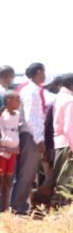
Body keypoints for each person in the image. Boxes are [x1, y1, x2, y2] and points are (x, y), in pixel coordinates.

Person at [10, 62, 47, 215]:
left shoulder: (31, 90)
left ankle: (20, 204)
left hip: (31, 135)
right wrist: (39, 139)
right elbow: (31, 118)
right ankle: (18, 206)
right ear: (39, 72)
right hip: (31, 136)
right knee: (27, 173)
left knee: (29, 174)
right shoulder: (31, 91)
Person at [0, 90, 21, 212]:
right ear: (9, 101)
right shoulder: (1, 116)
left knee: (9, 179)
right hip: (2, 152)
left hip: (13, 152)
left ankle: (6, 206)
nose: (19, 102)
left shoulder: (18, 115)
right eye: (16, 100)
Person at [52, 74, 73, 205]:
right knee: (67, 179)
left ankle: (60, 207)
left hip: (60, 143)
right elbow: (69, 127)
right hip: (68, 144)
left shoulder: (59, 98)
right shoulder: (70, 100)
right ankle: (64, 210)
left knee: (61, 178)